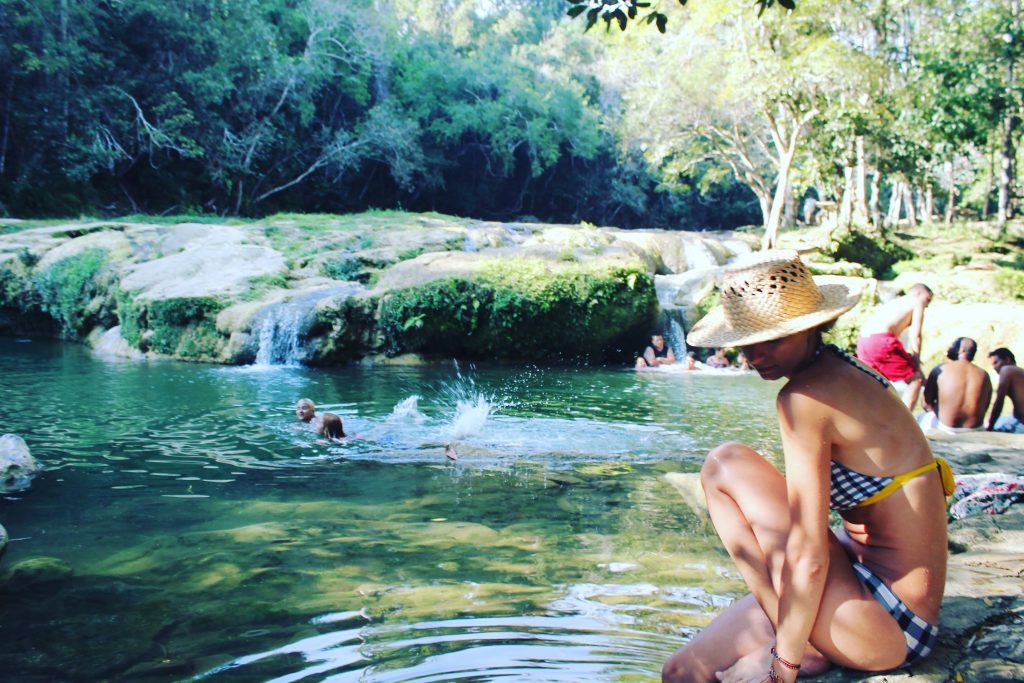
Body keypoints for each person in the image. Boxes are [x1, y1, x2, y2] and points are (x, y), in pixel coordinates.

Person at [663, 250, 953, 683]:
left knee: (724, 465)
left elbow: (808, 551)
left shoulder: (804, 399)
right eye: (746, 340)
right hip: (867, 595)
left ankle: (796, 641)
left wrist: (784, 664)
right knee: (682, 672)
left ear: (810, 326)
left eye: (772, 339)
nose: (755, 355)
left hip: (890, 624)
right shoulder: (847, 368)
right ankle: (792, 630)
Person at [856, 283, 933, 410]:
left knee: (875, 383)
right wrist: (917, 364)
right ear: (918, 293)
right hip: (880, 342)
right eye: (928, 299)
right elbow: (916, 336)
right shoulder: (917, 301)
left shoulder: (895, 303)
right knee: (916, 379)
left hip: (863, 342)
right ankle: (905, 425)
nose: (927, 305)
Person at [917, 337, 992, 433]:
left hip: (945, 428)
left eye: (953, 345)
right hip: (976, 429)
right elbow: (986, 406)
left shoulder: (941, 369)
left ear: (962, 350)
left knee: (920, 419)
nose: (950, 347)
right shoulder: (984, 374)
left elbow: (926, 404)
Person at [987, 348, 1024, 433]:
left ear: (1007, 360)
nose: (994, 367)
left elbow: (999, 401)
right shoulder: (1020, 372)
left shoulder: (1007, 369)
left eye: (996, 362)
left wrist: (990, 427)